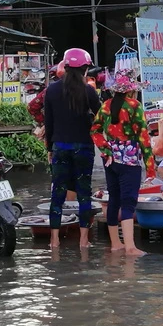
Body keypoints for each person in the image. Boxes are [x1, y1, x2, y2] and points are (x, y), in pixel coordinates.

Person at [91, 70, 156, 256]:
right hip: (129, 158)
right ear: (131, 91)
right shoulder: (134, 106)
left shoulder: (105, 106)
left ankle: (116, 244)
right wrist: (151, 168)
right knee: (128, 202)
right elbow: (144, 138)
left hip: (110, 159)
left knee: (114, 199)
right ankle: (130, 247)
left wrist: (105, 149)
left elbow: (94, 130)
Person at [44, 48, 101, 249]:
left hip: (60, 146)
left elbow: (49, 123)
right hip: (84, 147)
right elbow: (101, 118)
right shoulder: (89, 91)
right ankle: (84, 240)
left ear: (66, 67)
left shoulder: (51, 90)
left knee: (58, 193)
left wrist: (49, 148)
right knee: (84, 192)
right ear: (85, 69)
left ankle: (54, 240)